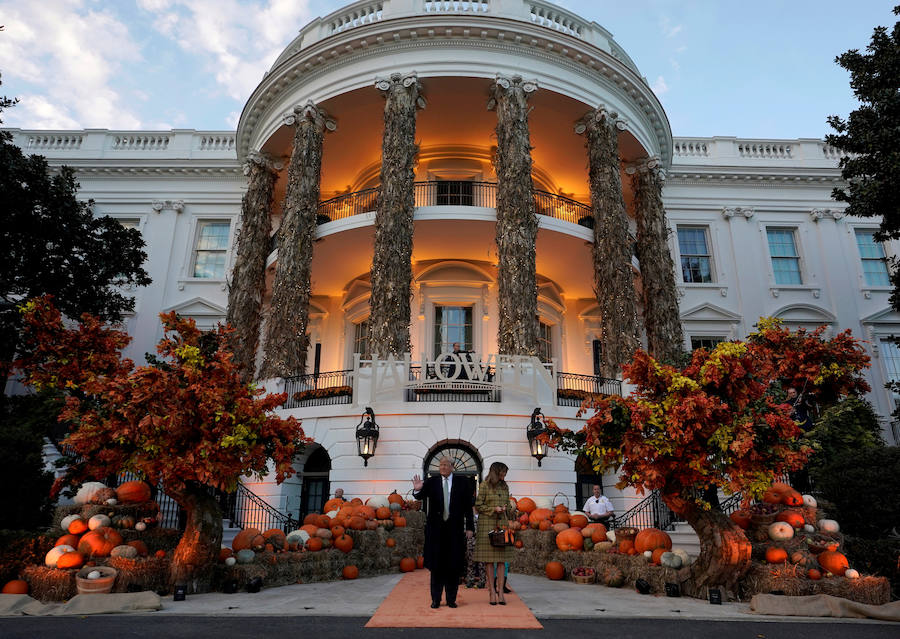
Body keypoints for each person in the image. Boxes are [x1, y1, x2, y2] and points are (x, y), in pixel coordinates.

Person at [412, 457, 475, 609]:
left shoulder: (462, 482)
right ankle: (435, 599)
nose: (442, 467)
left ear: (452, 467)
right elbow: (419, 496)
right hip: (436, 531)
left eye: (446, 465)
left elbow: (468, 506)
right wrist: (417, 488)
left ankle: (451, 599)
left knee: (453, 566)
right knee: (437, 567)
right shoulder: (432, 481)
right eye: (440, 465)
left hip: (455, 530)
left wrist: (470, 528)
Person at [474, 462, 514, 605]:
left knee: (502, 560)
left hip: (502, 523)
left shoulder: (505, 486)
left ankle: (501, 592)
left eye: (505, 473)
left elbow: (508, 505)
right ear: (495, 472)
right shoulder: (484, 485)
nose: (504, 475)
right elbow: (478, 505)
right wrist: (493, 509)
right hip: (487, 524)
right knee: (489, 561)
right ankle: (491, 592)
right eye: (502, 473)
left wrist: (509, 508)